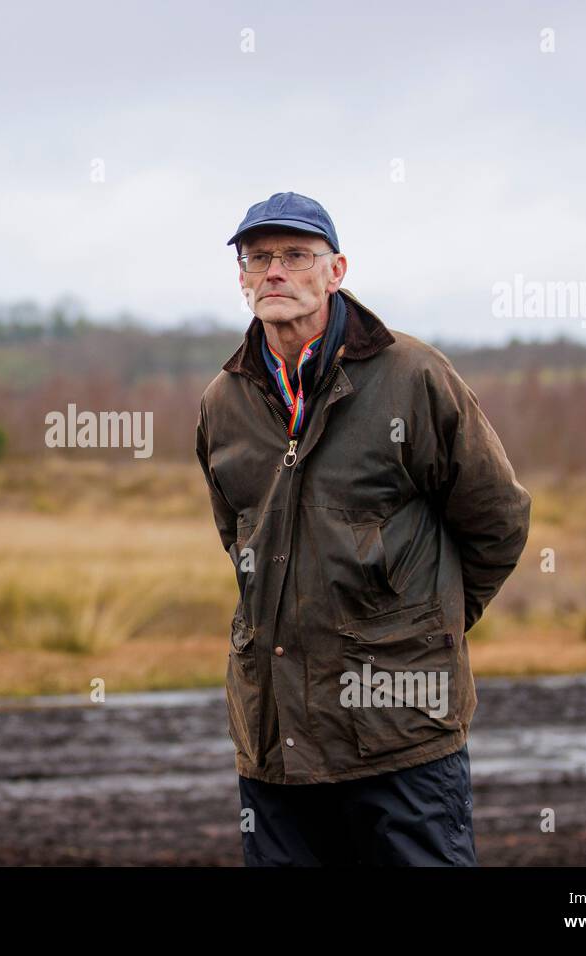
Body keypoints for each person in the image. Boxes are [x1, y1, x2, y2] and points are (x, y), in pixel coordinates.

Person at [195, 191, 532, 865]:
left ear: (336, 270)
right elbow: (242, 541)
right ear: (240, 278)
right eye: (257, 258)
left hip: (401, 732)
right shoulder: (222, 402)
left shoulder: (413, 377)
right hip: (276, 741)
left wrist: (425, 628)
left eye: (295, 256)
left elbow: (497, 519)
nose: (274, 273)